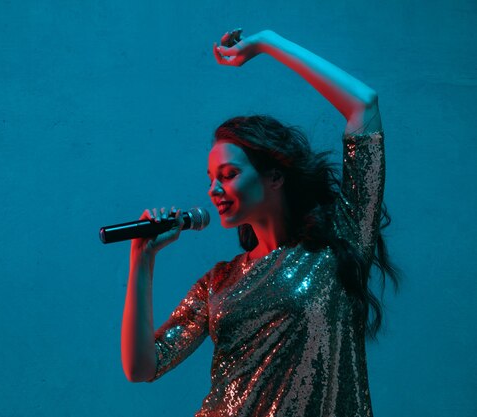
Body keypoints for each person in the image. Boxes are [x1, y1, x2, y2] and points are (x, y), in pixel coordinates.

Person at [121, 28, 399, 417]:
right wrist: (142, 261)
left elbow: (364, 106)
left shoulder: (339, 245)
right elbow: (142, 367)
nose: (213, 189)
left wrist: (268, 42)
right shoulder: (218, 282)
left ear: (274, 176)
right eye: (210, 178)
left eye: (228, 174)